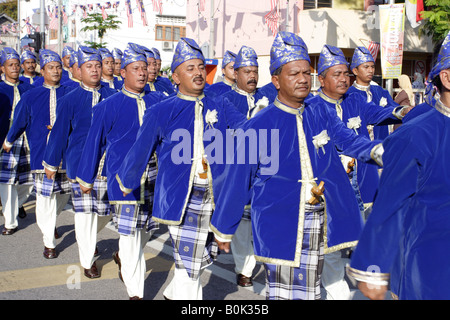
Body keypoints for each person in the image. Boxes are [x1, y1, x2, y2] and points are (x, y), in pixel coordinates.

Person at [210, 31, 383, 300]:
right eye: (294, 74)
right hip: (278, 221)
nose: (303, 79)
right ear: (276, 81)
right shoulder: (259, 125)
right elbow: (238, 179)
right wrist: (224, 227)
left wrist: (380, 150)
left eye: (306, 72)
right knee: (282, 292)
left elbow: (346, 138)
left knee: (310, 291)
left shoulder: (319, 111)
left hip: (317, 217)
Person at [116, 37, 246, 300]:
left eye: (201, 67)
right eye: (190, 68)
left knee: (195, 262)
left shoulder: (220, 104)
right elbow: (140, 152)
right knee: (190, 266)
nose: (198, 72)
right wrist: (126, 182)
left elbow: (247, 130)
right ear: (175, 76)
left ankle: (174, 294)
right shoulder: (161, 110)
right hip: (180, 198)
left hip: (215, 196)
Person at [347, 32, 450, 300]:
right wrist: (373, 267)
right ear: (447, 78)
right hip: (431, 269)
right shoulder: (418, 134)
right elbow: (391, 205)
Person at [311, 44, 408, 300]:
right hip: (322, 190)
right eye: (337, 74)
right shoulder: (311, 107)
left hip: (358, 179)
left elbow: (375, 114)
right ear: (321, 79)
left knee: (354, 238)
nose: (344, 79)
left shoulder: (355, 99)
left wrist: (402, 112)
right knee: (329, 247)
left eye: (346, 74)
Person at [76, 43, 166, 299]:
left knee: (145, 231)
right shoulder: (108, 106)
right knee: (128, 233)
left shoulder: (159, 101)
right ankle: (136, 292)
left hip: (154, 178)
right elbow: (95, 143)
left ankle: (123, 259)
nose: (142, 73)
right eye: (136, 68)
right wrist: (86, 177)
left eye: (145, 68)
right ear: (123, 72)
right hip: (123, 179)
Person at [43, 46, 117, 278]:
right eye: (89, 66)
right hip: (80, 165)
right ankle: (87, 260)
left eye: (98, 65)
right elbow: (59, 135)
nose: (95, 70)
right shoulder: (70, 99)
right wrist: (51, 164)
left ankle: (89, 240)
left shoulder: (113, 96)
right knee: (85, 215)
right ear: (78, 70)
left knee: (106, 212)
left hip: (108, 164)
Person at [3, 49, 73, 258]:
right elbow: (19, 122)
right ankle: (49, 242)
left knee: (63, 195)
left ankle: (50, 222)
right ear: (42, 71)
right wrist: (8, 140)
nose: (56, 71)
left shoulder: (70, 94)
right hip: (41, 153)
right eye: (51, 68)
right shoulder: (31, 95)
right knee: (44, 197)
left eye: (59, 67)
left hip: (67, 153)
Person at [0, 47, 34, 235]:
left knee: (29, 181)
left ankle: (18, 204)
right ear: (2, 68)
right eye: (10, 65)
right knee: (7, 182)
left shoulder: (28, 88)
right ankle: (10, 222)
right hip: (6, 140)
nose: (14, 68)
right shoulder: (0, 89)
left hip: (28, 139)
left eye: (16, 64)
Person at [346, 47, 401, 141]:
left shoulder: (381, 92)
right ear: (355, 71)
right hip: (358, 149)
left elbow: (396, 111)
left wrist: (406, 111)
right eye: (366, 67)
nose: (371, 70)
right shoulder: (348, 95)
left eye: (372, 67)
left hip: (380, 145)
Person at [221, 46, 268, 119]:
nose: (253, 76)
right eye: (247, 72)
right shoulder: (226, 100)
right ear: (236, 74)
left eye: (255, 72)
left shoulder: (266, 97)